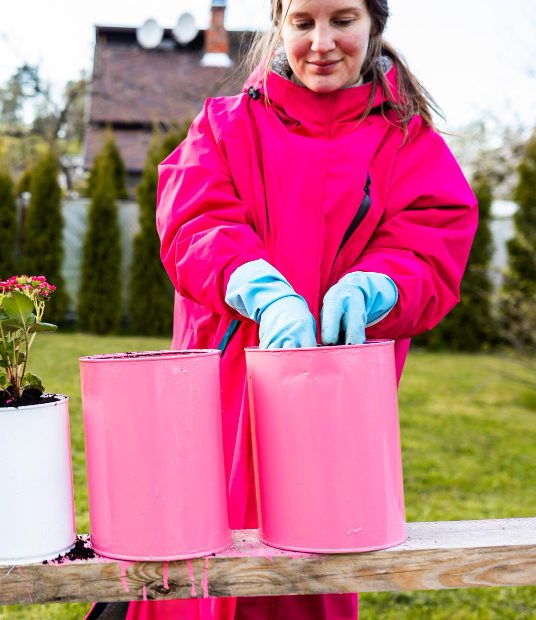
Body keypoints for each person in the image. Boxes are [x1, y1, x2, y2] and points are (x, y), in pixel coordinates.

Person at [90, 0, 477, 618]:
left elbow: (431, 244)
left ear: (374, 23)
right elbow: (193, 220)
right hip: (218, 409)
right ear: (280, 25)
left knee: (307, 577)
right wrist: (253, 283)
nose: (321, 42)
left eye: (342, 20)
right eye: (302, 23)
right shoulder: (225, 124)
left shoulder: (408, 142)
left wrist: (380, 284)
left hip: (328, 419)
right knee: (194, 579)